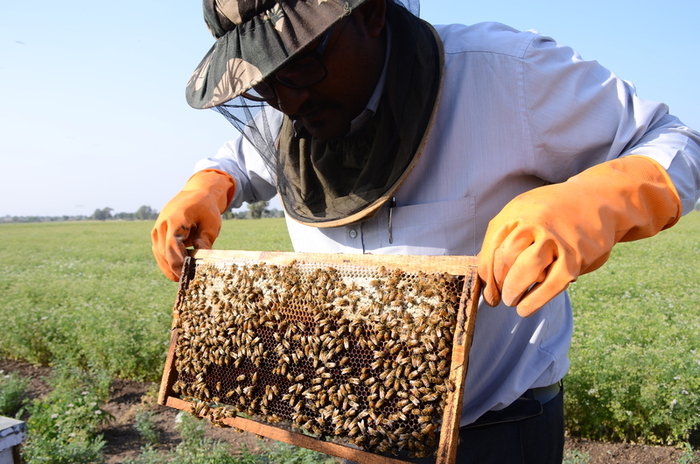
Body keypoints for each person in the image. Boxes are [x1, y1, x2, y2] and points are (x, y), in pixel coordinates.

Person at [151, 0, 700, 462]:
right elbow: (243, 156)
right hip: (354, 432)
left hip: (498, 433)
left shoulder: (508, 72)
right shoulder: (289, 110)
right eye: (265, 81)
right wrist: (210, 184)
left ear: (369, 14)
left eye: (298, 65)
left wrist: (599, 200)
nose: (287, 100)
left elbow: (676, 142)